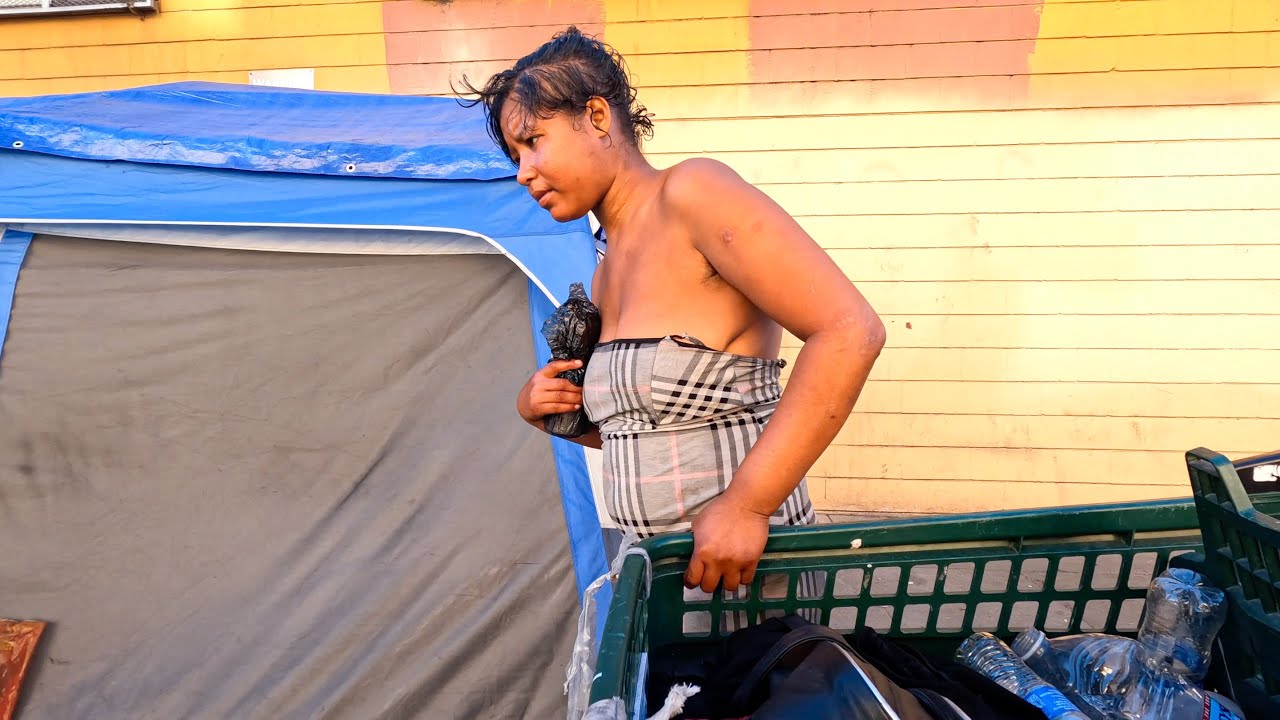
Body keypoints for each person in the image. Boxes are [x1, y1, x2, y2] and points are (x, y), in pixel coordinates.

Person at [462, 27, 885, 595]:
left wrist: (748, 506)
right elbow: (653, 431)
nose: (522, 172)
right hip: (662, 588)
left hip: (748, 590)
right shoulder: (605, 269)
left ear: (595, 117)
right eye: (516, 155)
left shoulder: (693, 193)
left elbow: (849, 331)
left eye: (533, 141)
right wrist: (554, 413)